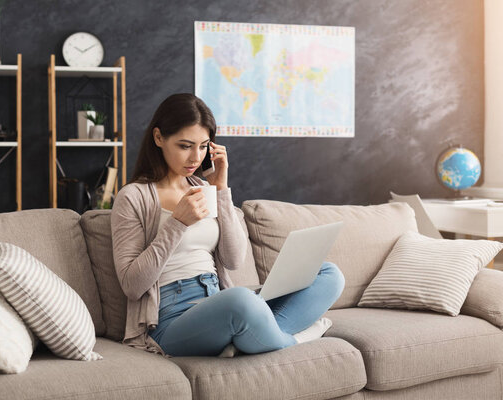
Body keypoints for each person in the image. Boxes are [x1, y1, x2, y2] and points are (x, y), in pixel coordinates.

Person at [111, 93, 345, 357]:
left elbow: (233, 260)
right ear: (158, 138)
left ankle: (253, 335)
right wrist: (177, 223)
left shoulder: (204, 189)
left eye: (203, 146)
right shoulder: (133, 196)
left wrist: (221, 188)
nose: (195, 158)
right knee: (241, 301)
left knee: (328, 274)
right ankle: (296, 339)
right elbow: (132, 285)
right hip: (172, 320)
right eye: (185, 146)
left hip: (218, 299)